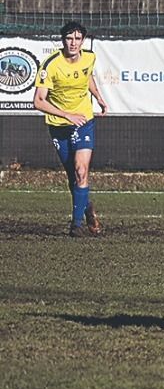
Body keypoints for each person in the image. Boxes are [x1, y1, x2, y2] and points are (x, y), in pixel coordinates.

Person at [33, 20, 108, 237]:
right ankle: (88, 209)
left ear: (83, 40)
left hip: (84, 121)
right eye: (69, 38)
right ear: (62, 40)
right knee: (73, 177)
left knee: (81, 170)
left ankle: (76, 226)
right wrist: (66, 115)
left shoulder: (90, 57)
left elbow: (87, 78)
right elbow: (39, 101)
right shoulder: (51, 65)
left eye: (77, 38)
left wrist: (99, 97)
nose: (73, 43)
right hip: (59, 125)